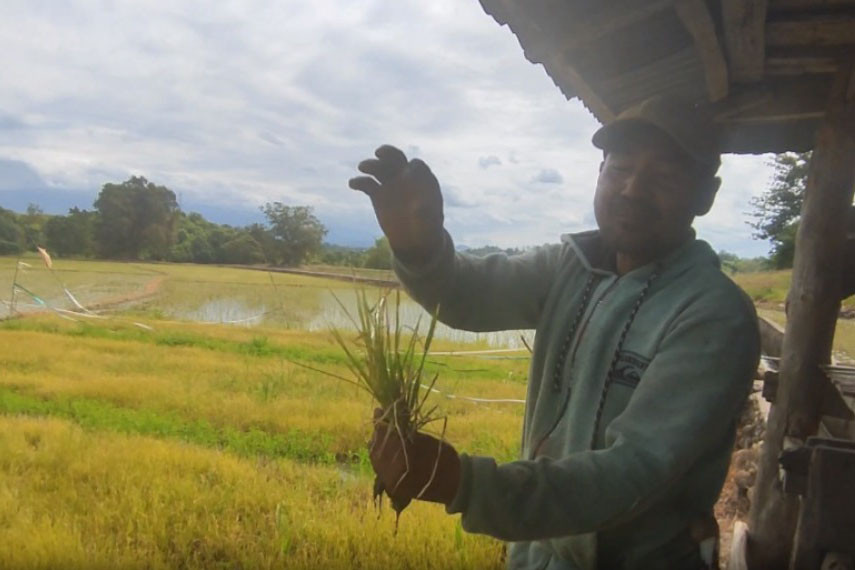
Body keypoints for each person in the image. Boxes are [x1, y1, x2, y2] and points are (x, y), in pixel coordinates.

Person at [349, 96, 761, 570]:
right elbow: (467, 293)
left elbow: (633, 471)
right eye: (619, 167)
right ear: (599, 172)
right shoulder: (569, 266)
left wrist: (462, 482)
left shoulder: (713, 314)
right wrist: (418, 247)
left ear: (705, 195)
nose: (632, 189)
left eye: (663, 176)